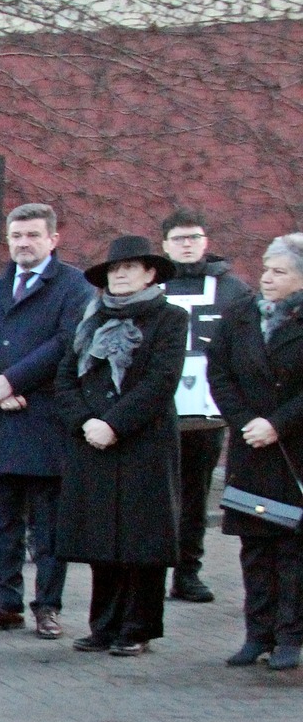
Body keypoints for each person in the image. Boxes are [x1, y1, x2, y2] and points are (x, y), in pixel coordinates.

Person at [0, 203, 92, 640]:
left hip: (46, 419)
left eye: (32, 235)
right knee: (2, 521)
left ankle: (47, 605)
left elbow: (67, 344)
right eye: (16, 236)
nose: (23, 244)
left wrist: (12, 382)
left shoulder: (75, 286)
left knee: (48, 526)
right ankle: (6, 600)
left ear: (53, 239)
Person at [54, 236, 190, 656]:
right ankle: (104, 625)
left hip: (142, 443)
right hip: (92, 442)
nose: (121, 274)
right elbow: (65, 378)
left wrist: (114, 424)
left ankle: (138, 627)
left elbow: (160, 382)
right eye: (115, 269)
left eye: (130, 267)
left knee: (141, 540)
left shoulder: (170, 319)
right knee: (102, 539)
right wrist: (86, 422)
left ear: (150, 272)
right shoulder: (89, 318)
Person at [207, 233, 303, 670]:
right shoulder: (239, 315)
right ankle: (255, 634)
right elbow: (220, 373)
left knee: (291, 549)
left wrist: (277, 424)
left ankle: (289, 637)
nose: (267, 278)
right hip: (250, 446)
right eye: (266, 268)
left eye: (279, 271)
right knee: (255, 545)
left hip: (293, 449)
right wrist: (245, 421)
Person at [160, 209, 255, 603]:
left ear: (205, 241)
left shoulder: (233, 291)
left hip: (207, 413)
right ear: (165, 244)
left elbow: (247, 345)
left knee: (195, 495)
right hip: (154, 411)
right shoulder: (152, 283)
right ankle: (147, 574)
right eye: (179, 238)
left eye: (194, 237)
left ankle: (187, 572)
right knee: (154, 494)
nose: (187, 244)